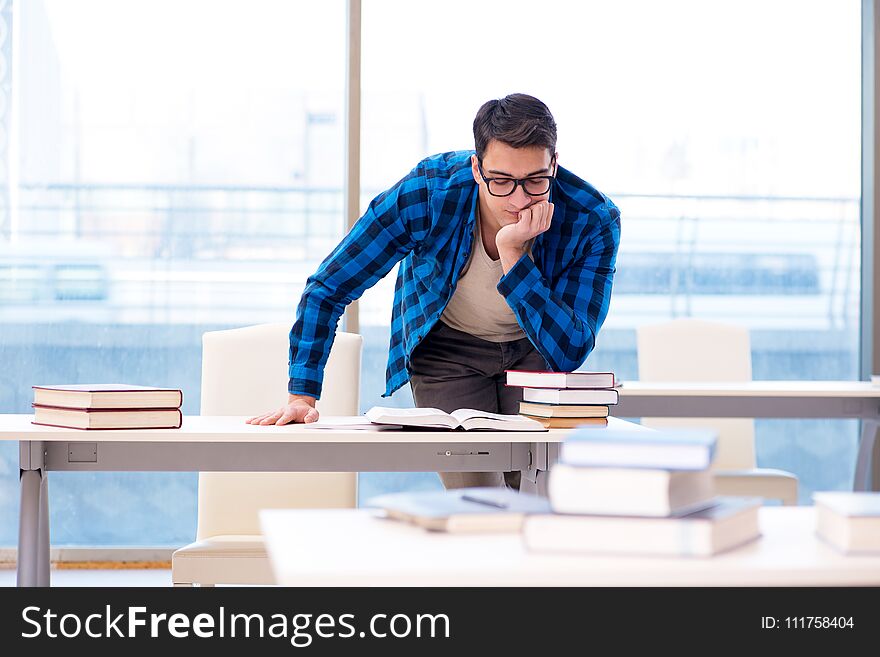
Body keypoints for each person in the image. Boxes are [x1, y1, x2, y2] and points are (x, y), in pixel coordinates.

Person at [247, 93, 621, 490]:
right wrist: (302, 395)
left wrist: (514, 256)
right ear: (477, 168)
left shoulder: (592, 218)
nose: (518, 199)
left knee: (535, 494)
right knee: (477, 498)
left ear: (554, 165)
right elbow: (329, 285)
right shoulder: (429, 193)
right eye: (500, 181)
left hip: (536, 352)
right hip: (448, 352)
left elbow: (570, 349)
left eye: (535, 181)